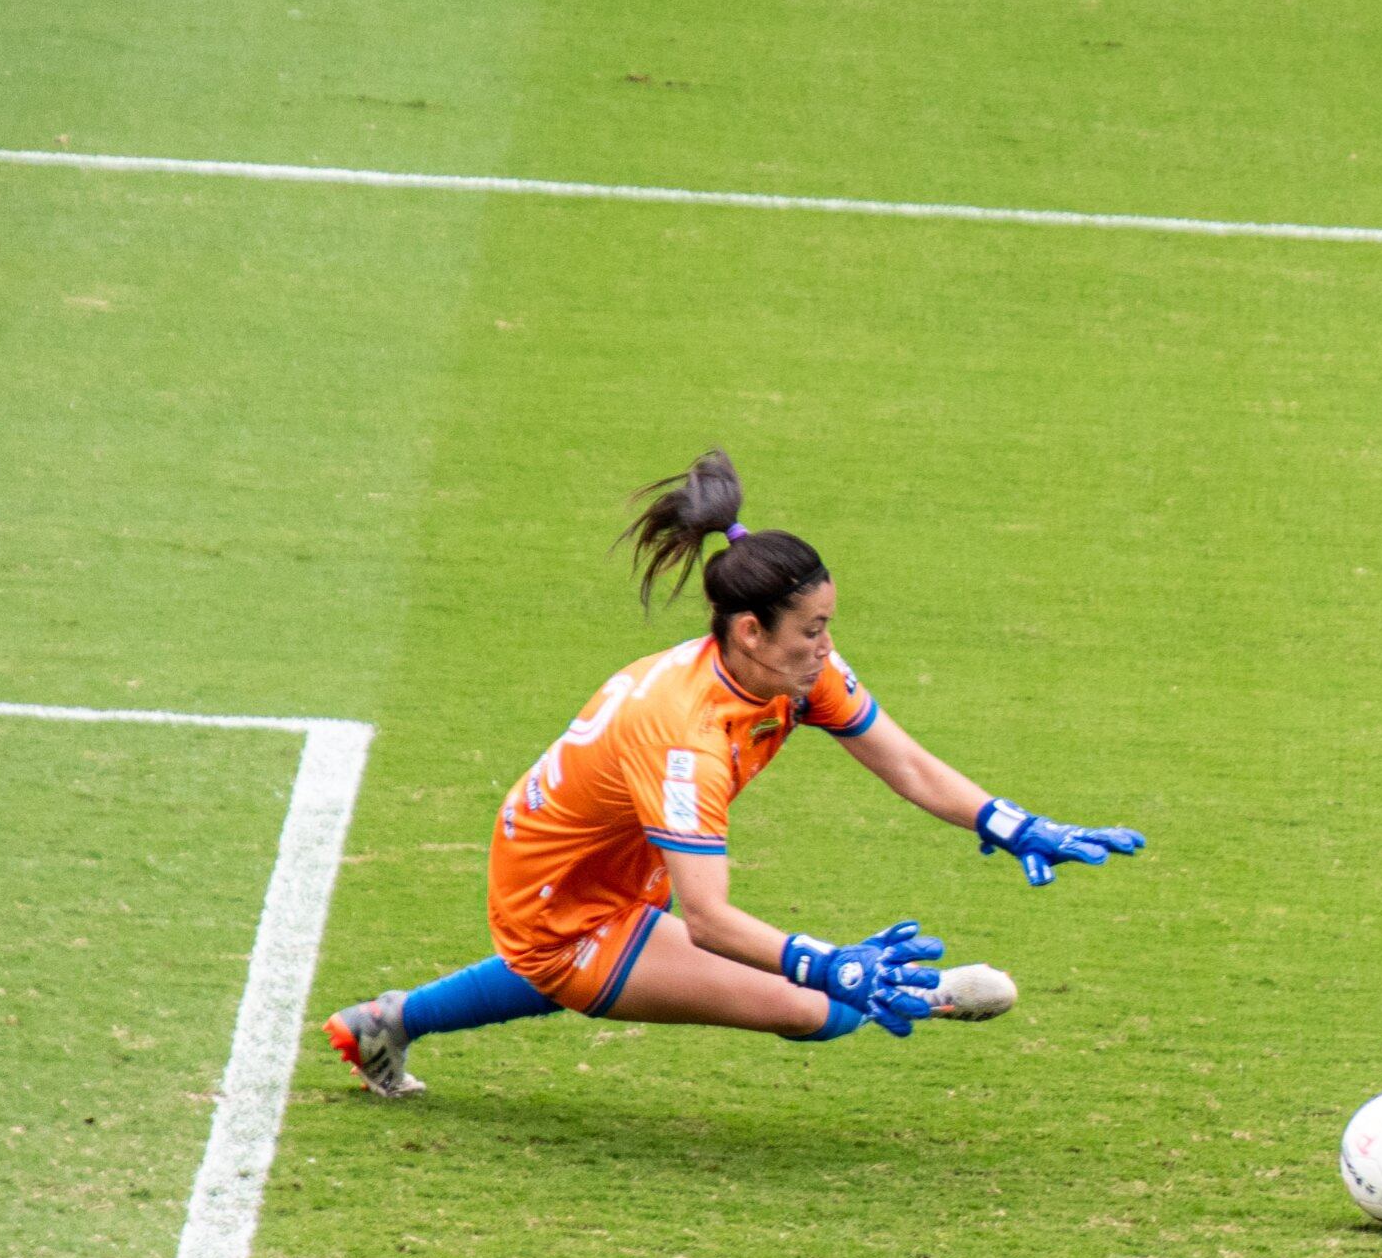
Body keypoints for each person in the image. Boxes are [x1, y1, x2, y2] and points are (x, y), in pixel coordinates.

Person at [320, 452, 1143, 1098]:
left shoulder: (784, 669)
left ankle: (389, 1021)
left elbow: (909, 763)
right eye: (813, 629)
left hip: (592, 867)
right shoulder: (688, 741)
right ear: (751, 631)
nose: (826, 648)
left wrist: (1012, 823)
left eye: (829, 625)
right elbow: (709, 919)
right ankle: (924, 997)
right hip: (558, 900)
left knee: (640, 956)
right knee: (811, 1010)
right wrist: (828, 964)